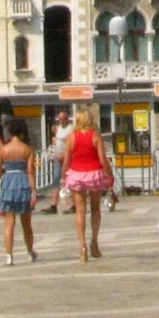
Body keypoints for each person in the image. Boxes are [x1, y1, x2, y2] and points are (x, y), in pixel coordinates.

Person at [62, 105, 114, 262]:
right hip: (94, 173)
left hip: (77, 174)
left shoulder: (72, 137)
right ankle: (94, 242)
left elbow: (66, 160)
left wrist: (64, 178)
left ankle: (82, 247)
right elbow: (102, 158)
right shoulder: (95, 135)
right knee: (95, 208)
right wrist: (109, 175)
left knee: (80, 211)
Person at [0, 119, 38, 265]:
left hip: (8, 183)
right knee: (26, 223)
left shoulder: (3, 150)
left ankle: (9, 256)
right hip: (23, 183)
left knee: (9, 223)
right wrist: (34, 191)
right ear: (22, 133)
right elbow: (31, 172)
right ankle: (30, 251)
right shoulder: (28, 149)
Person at [43, 110, 74, 214]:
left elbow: (72, 144)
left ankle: (74, 204)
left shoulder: (71, 129)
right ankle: (53, 205)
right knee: (56, 179)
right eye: (59, 119)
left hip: (68, 157)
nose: (61, 121)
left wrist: (65, 155)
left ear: (67, 119)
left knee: (71, 180)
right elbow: (58, 140)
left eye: (63, 119)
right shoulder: (59, 128)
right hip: (58, 157)